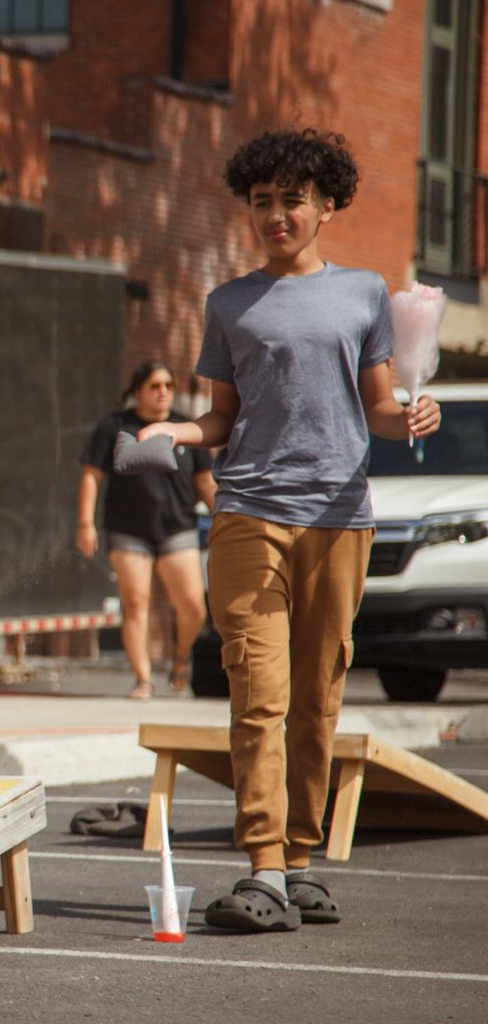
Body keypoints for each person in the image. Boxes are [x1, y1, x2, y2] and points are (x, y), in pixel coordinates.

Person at [137, 129, 441, 931]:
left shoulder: (365, 294)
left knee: (317, 698)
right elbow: (221, 416)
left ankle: (301, 861)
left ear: (326, 206)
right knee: (257, 691)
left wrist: (410, 412)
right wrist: (178, 432)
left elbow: (377, 406)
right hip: (246, 513)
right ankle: (264, 868)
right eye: (261, 201)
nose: (275, 214)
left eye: (291, 200)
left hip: (339, 518)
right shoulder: (228, 303)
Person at [76, 361, 215, 699]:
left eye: (168, 385)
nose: (163, 391)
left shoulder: (185, 427)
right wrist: (85, 523)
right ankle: (143, 679)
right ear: (138, 391)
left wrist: (226, 516)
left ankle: (181, 658)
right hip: (128, 530)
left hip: (178, 528)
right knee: (136, 603)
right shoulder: (115, 426)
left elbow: (204, 481)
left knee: (194, 606)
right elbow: (91, 476)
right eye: (154, 385)